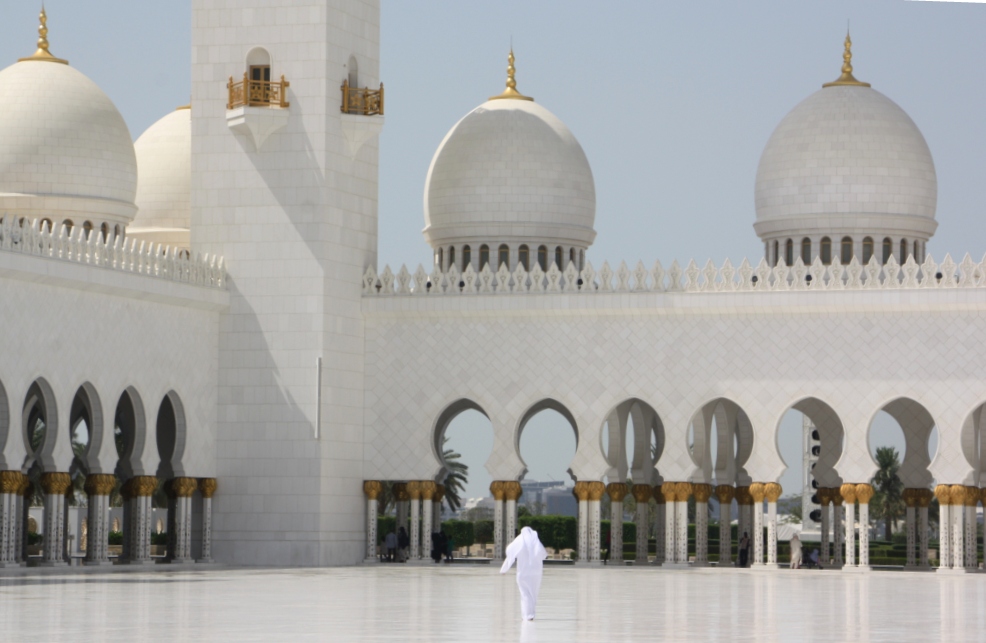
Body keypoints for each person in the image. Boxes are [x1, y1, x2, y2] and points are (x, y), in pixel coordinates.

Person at [500, 526, 548, 621]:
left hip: (522, 573)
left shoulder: (519, 541)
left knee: (524, 594)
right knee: (533, 594)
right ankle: (531, 614)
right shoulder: (536, 542)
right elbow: (543, 554)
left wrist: (504, 569)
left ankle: (526, 615)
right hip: (535, 574)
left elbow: (510, 553)